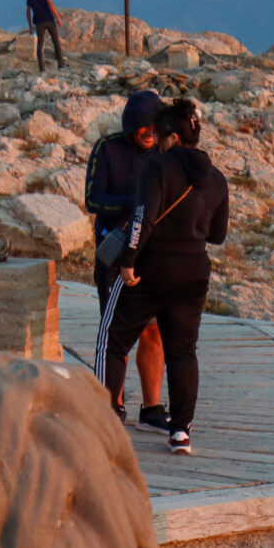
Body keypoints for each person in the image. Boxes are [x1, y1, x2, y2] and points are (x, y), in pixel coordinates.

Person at [98, 99, 229, 455]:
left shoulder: (157, 167)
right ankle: (181, 432)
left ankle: (106, 424)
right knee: (183, 352)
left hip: (152, 270)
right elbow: (218, 236)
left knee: (113, 340)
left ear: (170, 136)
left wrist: (128, 261)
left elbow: (143, 218)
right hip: (193, 274)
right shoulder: (216, 178)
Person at [84, 90, 170, 430]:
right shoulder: (107, 150)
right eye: (142, 127)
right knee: (116, 333)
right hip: (114, 254)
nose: (148, 133)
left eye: (153, 126)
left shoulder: (167, 153)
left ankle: (151, 409)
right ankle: (112, 408)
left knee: (154, 331)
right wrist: (134, 203)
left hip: (155, 256)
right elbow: (93, 200)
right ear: (131, 125)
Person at [25, 0, 65, 72]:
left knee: (40, 45)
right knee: (56, 42)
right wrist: (58, 18)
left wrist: (30, 25)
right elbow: (50, 4)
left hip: (38, 23)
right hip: (49, 20)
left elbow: (28, 11)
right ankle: (61, 64)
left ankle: (41, 68)